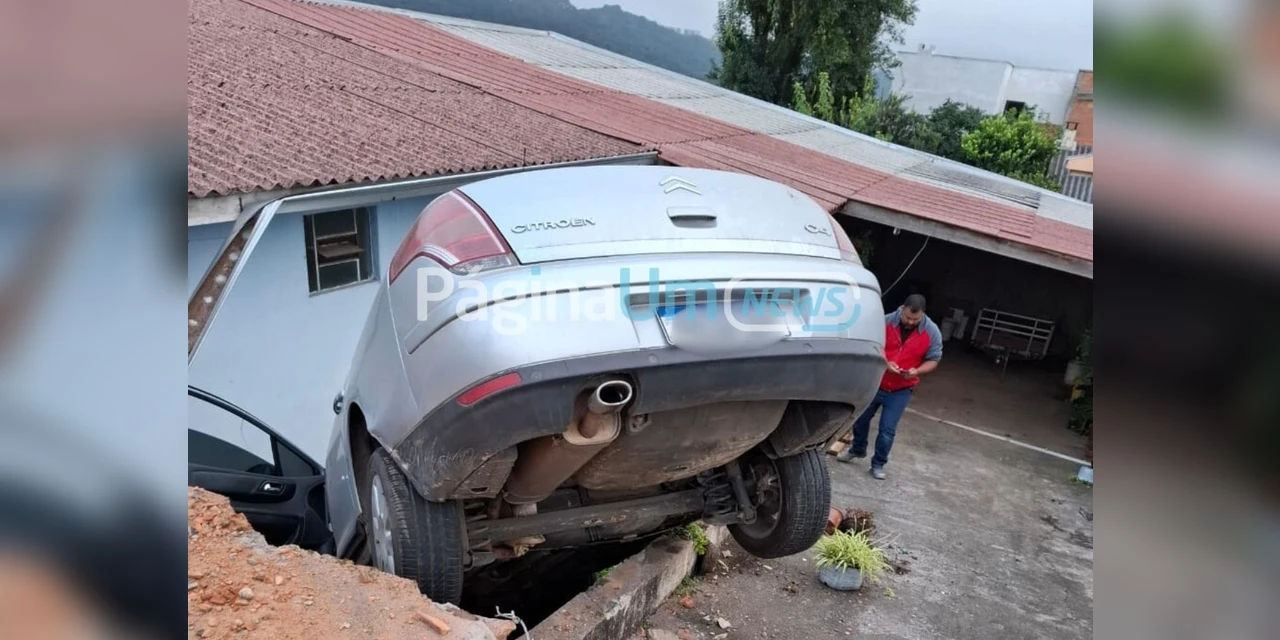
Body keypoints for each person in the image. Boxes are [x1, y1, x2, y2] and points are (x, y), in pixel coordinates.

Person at [836, 294, 943, 479]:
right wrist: (886, 363)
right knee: (860, 420)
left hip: (901, 390)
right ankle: (857, 449)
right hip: (876, 382)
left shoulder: (932, 332)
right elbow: (873, 346)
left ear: (923, 314)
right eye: (907, 317)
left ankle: (878, 464)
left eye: (915, 319)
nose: (910, 321)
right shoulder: (885, 322)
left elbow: (934, 359)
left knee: (887, 430)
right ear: (902, 309)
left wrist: (917, 371)